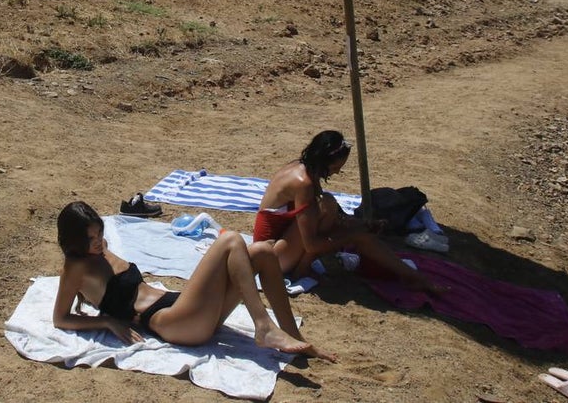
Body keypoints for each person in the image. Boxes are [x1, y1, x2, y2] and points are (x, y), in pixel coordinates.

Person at [53, 201, 334, 359]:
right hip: (168, 322)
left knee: (262, 252)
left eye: (99, 233)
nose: (98, 241)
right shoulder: (75, 267)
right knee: (232, 240)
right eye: (89, 238)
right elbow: (61, 319)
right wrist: (106, 320)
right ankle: (264, 327)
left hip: (179, 308)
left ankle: (294, 338)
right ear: (75, 241)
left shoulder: (100, 250)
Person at [254, 130, 445, 293]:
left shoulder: (303, 168)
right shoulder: (303, 183)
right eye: (336, 167)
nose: (336, 172)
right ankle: (301, 271)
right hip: (271, 257)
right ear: (325, 161)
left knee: (331, 208)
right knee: (334, 215)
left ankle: (411, 276)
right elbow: (311, 244)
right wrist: (351, 236)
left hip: (277, 246)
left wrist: (361, 226)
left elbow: (330, 215)